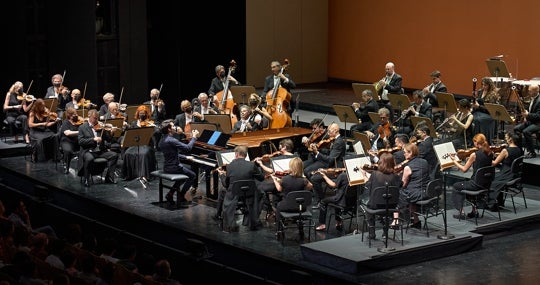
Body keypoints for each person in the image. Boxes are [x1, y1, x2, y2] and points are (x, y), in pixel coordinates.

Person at [216, 145, 265, 231]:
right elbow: (261, 178)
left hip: (234, 195)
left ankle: (219, 216)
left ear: (237, 154)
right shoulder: (251, 165)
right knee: (261, 193)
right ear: (245, 155)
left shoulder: (229, 166)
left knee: (222, 191)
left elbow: (226, 184)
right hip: (249, 194)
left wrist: (221, 175)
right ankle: (254, 219)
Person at [449, 133, 494, 219]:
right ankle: (474, 211)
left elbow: (464, 169)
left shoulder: (474, 155)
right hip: (486, 183)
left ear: (477, 143)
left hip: (476, 184)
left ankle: (461, 212)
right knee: (467, 184)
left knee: (456, 186)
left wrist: (454, 161)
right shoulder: (490, 153)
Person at [360, 152, 402, 239]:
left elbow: (368, 186)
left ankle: (372, 233)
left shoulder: (375, 174)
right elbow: (400, 185)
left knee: (366, 203)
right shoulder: (396, 176)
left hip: (376, 206)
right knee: (385, 205)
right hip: (392, 206)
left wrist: (364, 175)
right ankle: (385, 233)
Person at [304, 122, 346, 208]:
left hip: (335, 168)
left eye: (330, 131)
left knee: (314, 178)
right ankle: (317, 194)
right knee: (308, 172)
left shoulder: (339, 142)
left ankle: (320, 200)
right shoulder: (335, 140)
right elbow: (330, 153)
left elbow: (331, 159)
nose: (328, 133)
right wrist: (318, 149)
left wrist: (317, 153)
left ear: (335, 131)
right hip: (329, 163)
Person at [158, 119, 200, 206]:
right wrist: (194, 137)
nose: (175, 128)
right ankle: (181, 195)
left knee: (184, 177)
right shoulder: (171, 140)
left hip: (166, 167)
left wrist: (185, 157)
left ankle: (170, 194)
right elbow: (188, 148)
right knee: (192, 175)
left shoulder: (162, 140)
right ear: (169, 129)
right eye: (173, 126)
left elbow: (172, 154)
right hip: (175, 167)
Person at [253, 138, 297, 215]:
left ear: (285, 147)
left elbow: (271, 171)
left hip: (281, 183)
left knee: (259, 187)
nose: (279, 149)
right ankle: (275, 204)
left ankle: (269, 209)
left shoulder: (279, 159)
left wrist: (261, 164)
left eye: (280, 147)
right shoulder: (296, 157)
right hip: (293, 183)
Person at [77, 109, 119, 187]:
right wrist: (93, 139)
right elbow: (81, 141)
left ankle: (109, 177)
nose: (96, 120)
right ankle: (86, 178)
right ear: (89, 117)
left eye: (97, 118)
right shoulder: (82, 127)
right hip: (88, 151)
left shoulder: (101, 126)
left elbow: (109, 139)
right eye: (95, 118)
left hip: (100, 151)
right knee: (89, 159)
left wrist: (112, 132)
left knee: (114, 155)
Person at [272, 157, 313, 231]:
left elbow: (279, 189)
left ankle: (279, 229)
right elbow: (310, 186)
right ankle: (300, 227)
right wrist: (304, 177)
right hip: (301, 207)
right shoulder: (303, 180)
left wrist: (275, 180)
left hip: (288, 206)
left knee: (278, 206)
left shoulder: (284, 179)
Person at [395, 143, 430, 229]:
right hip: (427, 192)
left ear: (410, 153)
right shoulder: (425, 162)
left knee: (397, 194)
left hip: (416, 194)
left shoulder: (408, 167)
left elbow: (403, 184)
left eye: (405, 152)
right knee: (409, 193)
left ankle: (395, 221)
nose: (404, 154)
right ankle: (416, 221)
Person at [122, 105, 157, 185]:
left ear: (146, 114)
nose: (142, 115)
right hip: (135, 144)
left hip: (146, 144)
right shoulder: (134, 123)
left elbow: (157, 132)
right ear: (138, 113)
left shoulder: (150, 123)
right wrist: (127, 127)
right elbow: (130, 134)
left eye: (144, 113)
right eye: (140, 113)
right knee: (127, 153)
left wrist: (153, 128)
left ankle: (144, 175)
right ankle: (130, 175)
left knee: (144, 154)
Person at [489, 132, 523, 211]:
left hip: (506, 173)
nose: (505, 139)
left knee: (492, 180)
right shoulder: (519, 149)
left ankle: (493, 204)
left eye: (506, 138)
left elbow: (494, 163)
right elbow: (509, 159)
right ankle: (499, 202)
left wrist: (486, 157)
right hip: (514, 173)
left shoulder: (505, 150)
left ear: (510, 139)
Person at [27, 98, 61, 162]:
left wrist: (55, 121)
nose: (44, 107)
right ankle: (41, 158)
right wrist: (41, 123)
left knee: (54, 136)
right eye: (42, 106)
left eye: (44, 105)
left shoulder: (45, 112)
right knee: (41, 139)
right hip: (35, 131)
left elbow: (47, 124)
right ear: (38, 106)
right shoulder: (32, 113)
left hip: (43, 130)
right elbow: (30, 125)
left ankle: (55, 157)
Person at [514, 84, 540, 158]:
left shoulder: (539, 101)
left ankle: (532, 152)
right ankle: (519, 150)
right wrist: (526, 115)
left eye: (530, 91)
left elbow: (538, 116)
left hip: (538, 123)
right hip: (531, 121)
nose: (528, 92)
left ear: (536, 91)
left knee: (526, 131)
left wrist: (528, 115)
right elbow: (530, 110)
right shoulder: (532, 97)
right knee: (516, 129)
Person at [472, 77, 499, 144]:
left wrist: (479, 107)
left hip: (488, 114)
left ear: (489, 85)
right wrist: (474, 99)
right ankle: (471, 138)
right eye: (482, 85)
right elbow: (477, 102)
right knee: (470, 116)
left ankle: (481, 140)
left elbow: (490, 109)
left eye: (485, 85)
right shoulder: (480, 91)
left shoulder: (492, 94)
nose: (483, 87)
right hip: (479, 112)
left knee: (477, 120)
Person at [59, 107, 81, 174]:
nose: (76, 115)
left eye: (76, 114)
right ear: (69, 115)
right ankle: (66, 166)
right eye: (73, 114)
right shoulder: (66, 122)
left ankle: (82, 167)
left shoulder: (78, 121)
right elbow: (67, 133)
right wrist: (79, 132)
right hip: (67, 141)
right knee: (68, 151)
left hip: (77, 141)